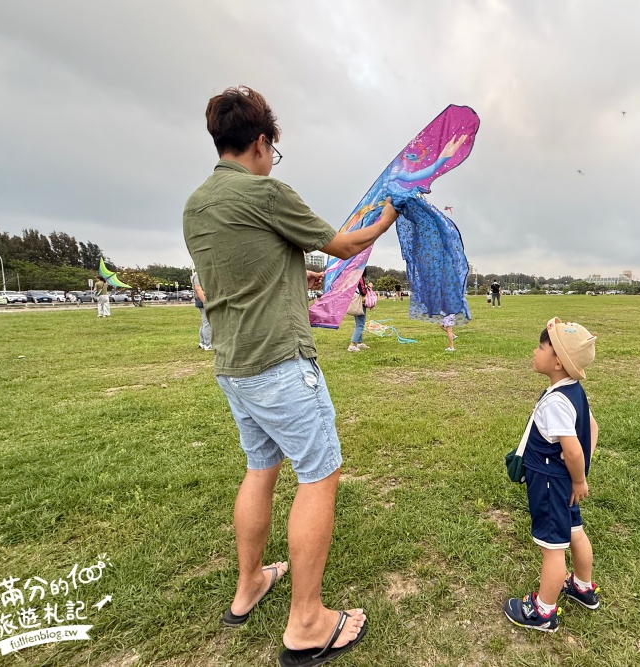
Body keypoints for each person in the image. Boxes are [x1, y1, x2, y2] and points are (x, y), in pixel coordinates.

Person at [183, 85, 399, 663]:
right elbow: (342, 243)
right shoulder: (266, 192)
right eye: (273, 150)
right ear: (261, 142)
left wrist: (294, 277)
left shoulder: (197, 204)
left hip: (233, 366)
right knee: (319, 474)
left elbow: (245, 271)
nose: (272, 160)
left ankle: (249, 583)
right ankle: (307, 622)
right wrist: (386, 217)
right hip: (278, 362)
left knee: (260, 469)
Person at [504, 317, 599, 633]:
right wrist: (579, 474)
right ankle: (583, 587)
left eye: (541, 345)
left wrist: (579, 476)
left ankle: (543, 611)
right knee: (575, 531)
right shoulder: (572, 389)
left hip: (550, 482)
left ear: (557, 360)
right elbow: (592, 428)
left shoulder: (555, 402)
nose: (535, 350)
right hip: (564, 482)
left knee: (552, 546)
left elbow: (572, 450)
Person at [348, 270, 371, 352]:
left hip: (354, 301)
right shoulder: (359, 277)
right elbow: (363, 291)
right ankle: (352, 344)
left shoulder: (351, 277)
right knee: (360, 324)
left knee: (358, 323)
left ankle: (359, 342)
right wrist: (369, 287)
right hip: (359, 302)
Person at [192, 271, 212, 351]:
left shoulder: (196, 274)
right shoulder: (198, 275)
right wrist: (205, 302)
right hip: (202, 300)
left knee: (204, 322)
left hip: (200, 300)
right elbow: (198, 288)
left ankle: (202, 342)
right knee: (207, 322)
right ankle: (208, 344)